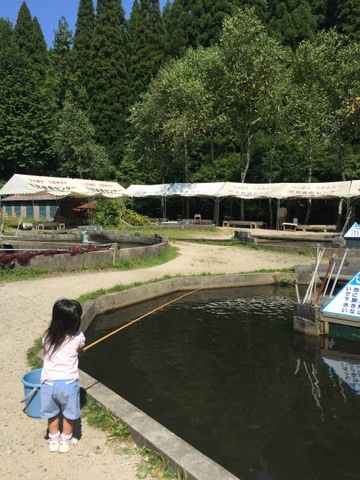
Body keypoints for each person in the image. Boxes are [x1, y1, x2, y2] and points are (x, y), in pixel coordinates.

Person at [40, 299, 85, 453]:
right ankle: (66, 440)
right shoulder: (78, 336)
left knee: (52, 413)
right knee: (69, 413)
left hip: (48, 383)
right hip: (68, 383)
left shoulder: (46, 335)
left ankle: (53, 439)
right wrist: (81, 352)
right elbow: (80, 349)